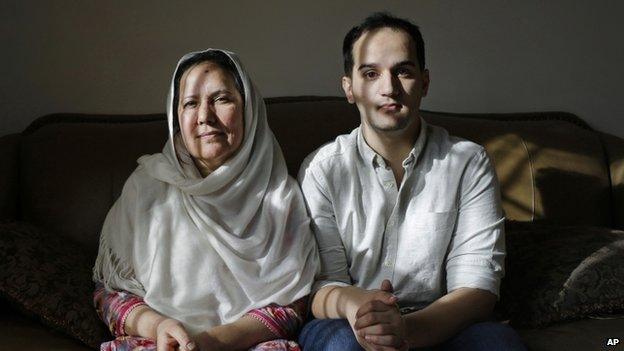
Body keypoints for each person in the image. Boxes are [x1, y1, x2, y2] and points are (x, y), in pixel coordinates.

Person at [297, 13, 526, 351]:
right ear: (349, 88)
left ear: (425, 82)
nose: (389, 88)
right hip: (348, 322)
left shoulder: (467, 162)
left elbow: (478, 288)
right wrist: (366, 315)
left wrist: (405, 329)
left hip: (443, 321)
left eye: (402, 71)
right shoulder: (322, 169)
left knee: (498, 344)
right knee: (339, 345)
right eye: (371, 73)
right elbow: (321, 288)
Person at [93, 49, 319, 351]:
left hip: (247, 343)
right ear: (177, 117)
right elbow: (109, 295)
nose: (205, 117)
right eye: (190, 103)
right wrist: (160, 326)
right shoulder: (146, 188)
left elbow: (293, 306)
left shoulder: (280, 196)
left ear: (248, 109)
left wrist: (210, 343)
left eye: (222, 99)